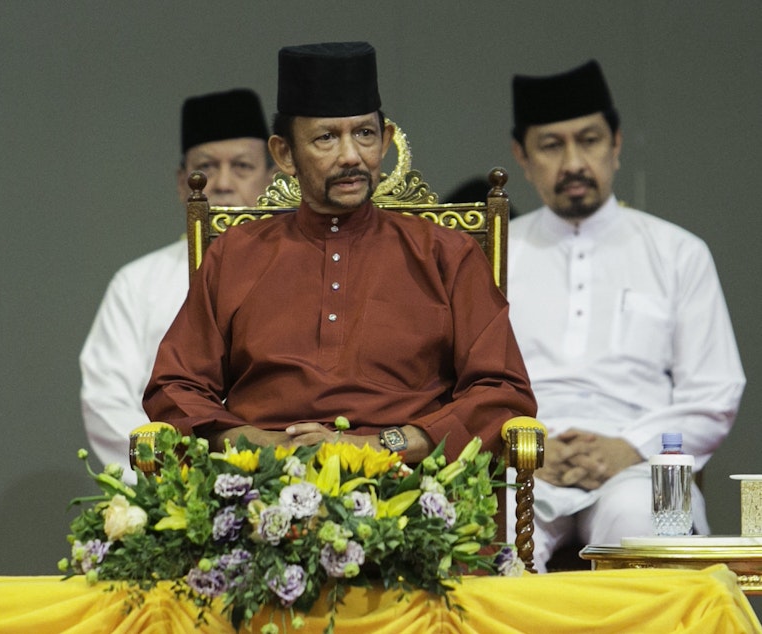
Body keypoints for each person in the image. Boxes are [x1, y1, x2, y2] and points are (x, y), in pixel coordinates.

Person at [144, 41, 537, 464]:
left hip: (411, 490)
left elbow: (502, 392)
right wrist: (262, 445)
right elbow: (174, 389)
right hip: (261, 490)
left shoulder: (445, 254)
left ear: (385, 142)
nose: (351, 156)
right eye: (327, 138)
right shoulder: (237, 255)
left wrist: (378, 446)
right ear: (284, 154)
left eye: (364, 134)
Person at [506, 60, 745, 571]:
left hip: (645, 463)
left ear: (615, 143)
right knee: (487, 533)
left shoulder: (677, 252)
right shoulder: (492, 259)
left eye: (589, 140)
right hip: (524, 462)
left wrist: (630, 448)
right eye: (551, 146)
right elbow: (460, 386)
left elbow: (715, 393)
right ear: (521, 156)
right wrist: (525, 448)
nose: (573, 162)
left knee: (649, 522)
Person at [80, 89, 275, 478]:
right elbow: (107, 401)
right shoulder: (137, 282)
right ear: (182, 182)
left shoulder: (304, 269)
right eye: (205, 167)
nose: (221, 183)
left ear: (273, 179)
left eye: (241, 166)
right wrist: (181, 474)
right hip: (176, 492)